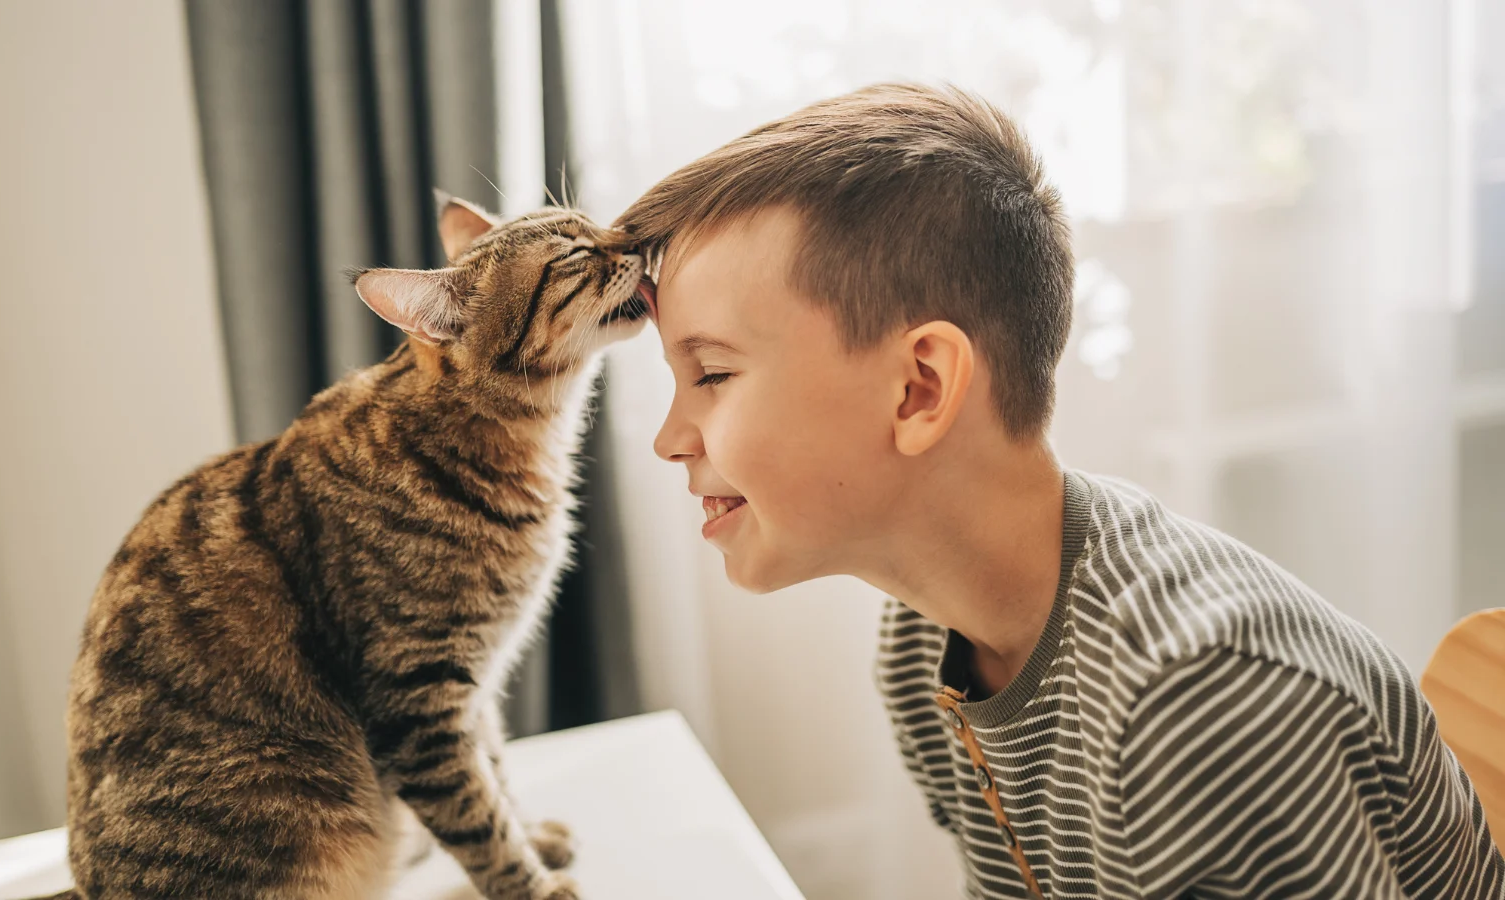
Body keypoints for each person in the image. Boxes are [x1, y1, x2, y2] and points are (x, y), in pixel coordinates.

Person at [615, 83, 1505, 899]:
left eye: (714, 374)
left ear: (919, 388)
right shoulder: (925, 639)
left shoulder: (1197, 695)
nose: (668, 439)